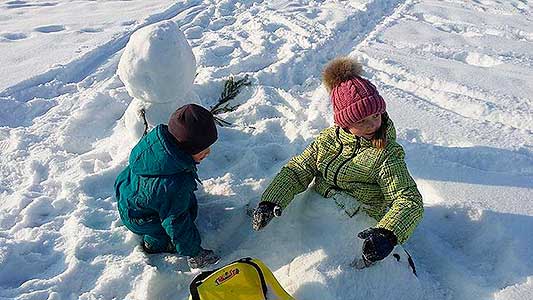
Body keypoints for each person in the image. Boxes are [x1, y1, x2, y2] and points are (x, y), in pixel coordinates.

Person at [252, 57, 424, 267]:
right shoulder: (328, 141)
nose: (372, 124)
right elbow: (299, 169)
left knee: (327, 268)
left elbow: (408, 199)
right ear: (344, 122)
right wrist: (270, 201)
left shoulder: (386, 154)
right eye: (361, 120)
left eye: (376, 115)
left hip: (357, 220)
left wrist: (387, 234)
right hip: (317, 209)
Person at [115, 104, 220, 269]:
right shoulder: (173, 184)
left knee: (180, 201)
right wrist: (194, 252)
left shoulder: (159, 145)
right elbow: (176, 223)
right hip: (141, 218)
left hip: (128, 192)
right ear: (186, 147)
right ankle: (155, 243)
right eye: (202, 149)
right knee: (173, 222)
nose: (208, 152)